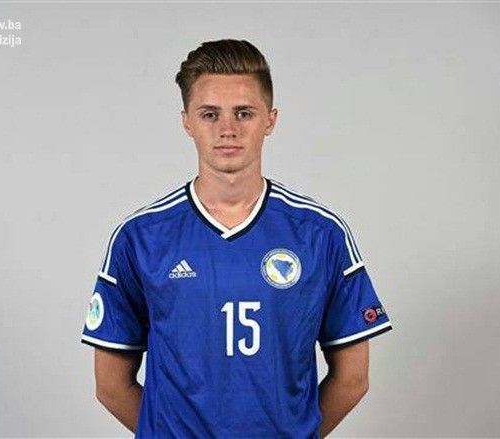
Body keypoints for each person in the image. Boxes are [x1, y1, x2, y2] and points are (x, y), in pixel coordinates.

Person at [81, 39, 392, 438]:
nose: (227, 129)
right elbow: (110, 385)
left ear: (271, 120)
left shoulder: (320, 233)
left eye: (244, 113)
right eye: (209, 114)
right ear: (186, 122)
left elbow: (353, 378)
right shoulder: (141, 237)